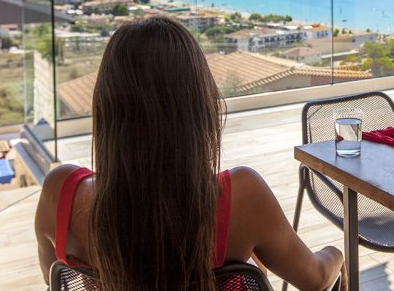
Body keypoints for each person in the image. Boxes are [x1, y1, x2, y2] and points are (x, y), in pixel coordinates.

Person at [35, 17, 345, 291]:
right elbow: (315, 280)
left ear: (106, 107)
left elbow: (55, 277)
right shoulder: (241, 197)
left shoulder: (59, 192)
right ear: (199, 106)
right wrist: (337, 255)